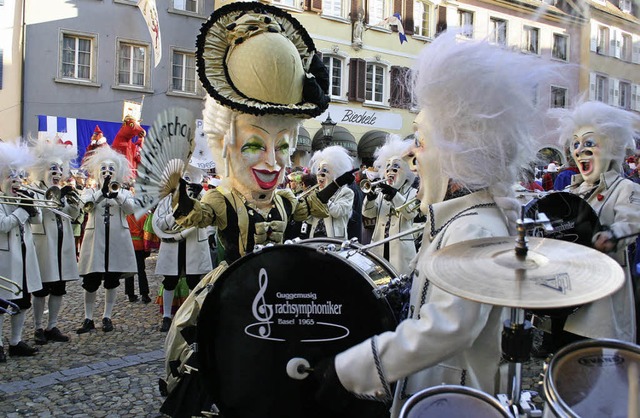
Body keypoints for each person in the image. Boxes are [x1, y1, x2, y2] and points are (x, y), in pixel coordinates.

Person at [312, 30, 558, 417]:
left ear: (458, 157)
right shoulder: (462, 219)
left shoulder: (475, 227)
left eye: (421, 144)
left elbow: (446, 327)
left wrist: (350, 367)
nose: (413, 157)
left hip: (453, 400)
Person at [159, 3, 356, 416]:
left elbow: (310, 207)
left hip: (282, 297)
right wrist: (178, 189)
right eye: (255, 145)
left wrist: (340, 180)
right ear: (228, 146)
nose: (272, 161)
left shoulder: (285, 201)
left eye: (282, 147)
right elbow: (187, 219)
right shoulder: (225, 199)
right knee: (216, 360)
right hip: (231, 293)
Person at [549, 100, 640, 345]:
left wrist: (610, 236)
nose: (580, 150)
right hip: (566, 293)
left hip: (602, 297)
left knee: (595, 360)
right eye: (576, 144)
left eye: (589, 143)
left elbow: (631, 222)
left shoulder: (626, 188)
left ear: (610, 147)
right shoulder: (570, 190)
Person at [76, 146, 137, 334]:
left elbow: (130, 210)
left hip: (116, 242)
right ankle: (88, 317)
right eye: (103, 170)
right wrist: (101, 193)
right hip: (95, 242)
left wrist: (116, 194)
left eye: (111, 170)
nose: (107, 173)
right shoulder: (89, 192)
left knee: (112, 281)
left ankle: (107, 316)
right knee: (91, 281)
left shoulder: (124, 192)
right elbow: (86, 207)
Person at [29, 138, 81, 345]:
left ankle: (52, 325)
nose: (57, 174)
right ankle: (37, 327)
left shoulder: (63, 189)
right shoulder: (34, 190)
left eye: (60, 170)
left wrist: (71, 199)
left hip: (63, 243)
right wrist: (51, 198)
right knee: (41, 288)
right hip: (44, 244)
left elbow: (74, 214)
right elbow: (36, 213)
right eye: (53, 170)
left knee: (59, 287)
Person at [153, 165, 213, 332]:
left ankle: (194, 315)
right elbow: (160, 223)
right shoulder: (166, 200)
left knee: (194, 281)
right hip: (173, 244)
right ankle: (166, 316)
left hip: (193, 243)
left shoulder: (201, 198)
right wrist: (175, 214)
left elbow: (210, 213)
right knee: (170, 280)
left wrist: (200, 193)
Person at [0, 141, 43, 361]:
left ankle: (15, 341)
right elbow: (3, 224)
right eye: (11, 177)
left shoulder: (21, 196)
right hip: (5, 259)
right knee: (2, 303)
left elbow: (38, 221)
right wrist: (21, 211)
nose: (16, 182)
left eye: (18, 177)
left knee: (22, 301)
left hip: (25, 256)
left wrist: (31, 206)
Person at [363, 135, 419, 275]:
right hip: (379, 246)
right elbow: (368, 214)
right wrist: (369, 199)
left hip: (401, 250)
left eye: (395, 168)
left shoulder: (413, 192)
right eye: (387, 169)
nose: (390, 172)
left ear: (406, 172)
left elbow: (411, 213)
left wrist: (395, 195)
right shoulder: (381, 193)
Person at [308, 146, 355, 240]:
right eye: (318, 170)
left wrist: (323, 197)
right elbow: (309, 220)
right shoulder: (315, 192)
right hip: (315, 237)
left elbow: (338, 212)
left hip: (334, 239)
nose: (319, 175)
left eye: (324, 171)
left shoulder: (346, 192)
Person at [124, 209, 151, 304]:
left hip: (128, 246)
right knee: (141, 271)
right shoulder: (143, 216)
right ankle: (144, 294)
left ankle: (130, 294)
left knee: (129, 271)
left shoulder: (126, 217)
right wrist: (147, 249)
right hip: (139, 246)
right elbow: (146, 234)